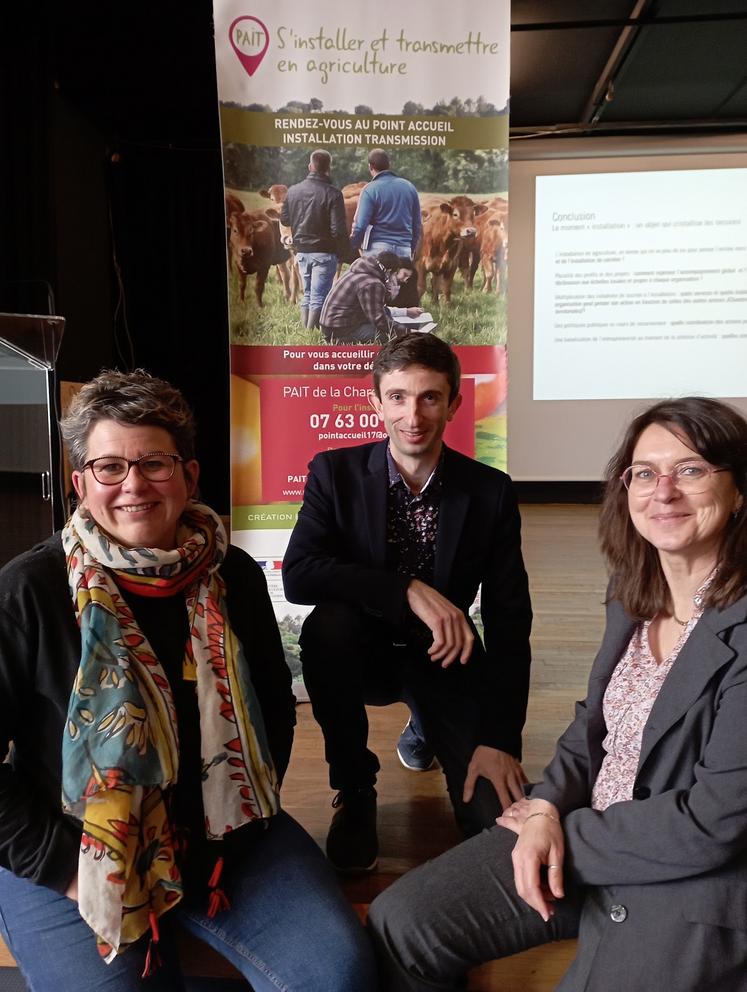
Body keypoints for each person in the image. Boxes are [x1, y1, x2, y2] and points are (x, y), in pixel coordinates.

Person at [0, 370, 377, 992]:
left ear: (190, 476)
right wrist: (64, 868)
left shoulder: (234, 575)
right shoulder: (29, 590)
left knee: (337, 975)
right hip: (73, 851)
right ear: (80, 484)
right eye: (109, 467)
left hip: (227, 842)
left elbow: (274, 709)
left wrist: (230, 822)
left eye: (155, 463)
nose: (133, 485)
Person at [368, 396, 747, 992]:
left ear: (739, 490)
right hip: (580, 832)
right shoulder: (634, 591)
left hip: (685, 875)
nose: (664, 491)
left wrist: (561, 833)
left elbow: (713, 824)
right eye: (644, 473)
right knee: (403, 923)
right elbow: (595, 723)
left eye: (691, 469)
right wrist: (545, 804)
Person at [282, 335, 532, 872]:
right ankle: (355, 788)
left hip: (445, 654)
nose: (412, 416)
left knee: (496, 826)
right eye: (397, 397)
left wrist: (500, 740)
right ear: (376, 402)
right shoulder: (334, 472)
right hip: (360, 650)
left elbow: (511, 620)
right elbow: (300, 576)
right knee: (327, 628)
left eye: (429, 398)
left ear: (454, 404)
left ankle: (427, 726)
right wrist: (407, 590)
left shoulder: (490, 491)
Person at [280, 149, 350, 329]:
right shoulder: (334, 194)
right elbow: (338, 230)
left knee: (308, 294)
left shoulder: (293, 191)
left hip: (301, 252)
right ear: (328, 168)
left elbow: (285, 220)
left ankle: (306, 332)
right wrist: (343, 252)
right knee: (319, 296)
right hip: (324, 253)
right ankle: (311, 334)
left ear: (310, 167)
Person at [320, 252, 423, 344]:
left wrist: (405, 312)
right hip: (340, 332)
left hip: (331, 327)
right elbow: (379, 320)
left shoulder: (361, 271)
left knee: (389, 322)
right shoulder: (372, 283)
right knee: (393, 336)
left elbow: (379, 310)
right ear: (389, 271)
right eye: (395, 273)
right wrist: (407, 332)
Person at [350, 149, 422, 260]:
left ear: (370, 167)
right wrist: (411, 248)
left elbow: (360, 225)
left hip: (377, 249)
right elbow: (417, 224)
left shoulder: (370, 189)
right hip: (404, 248)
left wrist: (353, 244)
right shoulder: (410, 187)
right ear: (389, 165)